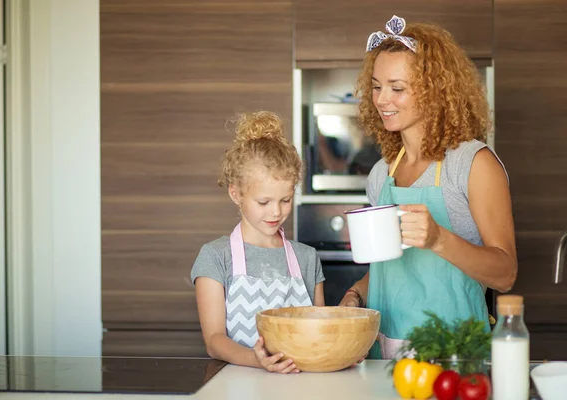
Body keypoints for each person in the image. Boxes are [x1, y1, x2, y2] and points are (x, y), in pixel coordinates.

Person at [339, 15, 517, 360]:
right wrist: (356, 295)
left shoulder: (473, 164)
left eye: (397, 88)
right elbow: (387, 271)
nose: (381, 99)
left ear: (435, 90)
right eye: (376, 86)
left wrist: (438, 239)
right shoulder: (381, 174)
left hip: (455, 355)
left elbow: (506, 274)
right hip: (384, 354)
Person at [191, 111, 325, 373]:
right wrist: (259, 361)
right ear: (236, 193)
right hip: (237, 386)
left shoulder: (306, 258)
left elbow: (320, 330)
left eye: (285, 200)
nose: (276, 212)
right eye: (264, 202)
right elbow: (214, 341)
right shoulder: (216, 257)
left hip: (300, 386)